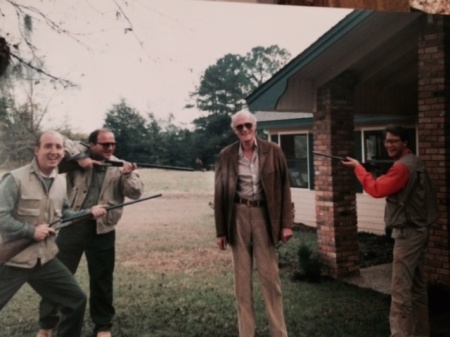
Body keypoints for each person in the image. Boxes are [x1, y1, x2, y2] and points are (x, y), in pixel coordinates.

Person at [38, 128, 144, 337]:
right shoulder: (78, 155)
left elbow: (136, 193)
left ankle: (103, 327)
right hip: (72, 226)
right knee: (57, 277)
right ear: (92, 144)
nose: (110, 148)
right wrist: (79, 159)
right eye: (105, 144)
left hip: (103, 230)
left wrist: (128, 174)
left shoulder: (120, 165)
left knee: (102, 280)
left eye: (113, 144)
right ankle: (47, 325)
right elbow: (61, 141)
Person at [0, 130, 107, 337]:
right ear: (37, 150)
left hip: (44, 259)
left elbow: (64, 213)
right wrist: (31, 231)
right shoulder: (15, 179)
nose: (54, 151)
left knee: (75, 301)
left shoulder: (59, 180)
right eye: (48, 146)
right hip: (13, 260)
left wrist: (89, 212)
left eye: (58, 147)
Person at [342, 124, 439, 337]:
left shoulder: (402, 167)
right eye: (386, 141)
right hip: (420, 231)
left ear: (405, 142)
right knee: (417, 289)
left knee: (400, 292)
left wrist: (359, 168)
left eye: (394, 141)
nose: (388, 145)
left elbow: (376, 189)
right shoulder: (415, 161)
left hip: (408, 235)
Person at [214, 109, 294, 337]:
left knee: (270, 279)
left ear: (255, 126)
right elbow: (219, 193)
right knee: (242, 282)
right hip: (237, 215)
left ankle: (279, 333)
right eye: (239, 127)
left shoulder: (273, 151)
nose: (245, 130)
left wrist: (286, 223)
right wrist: (221, 230)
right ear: (234, 130)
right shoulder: (226, 155)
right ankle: (246, 333)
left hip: (264, 217)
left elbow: (284, 188)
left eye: (248, 125)